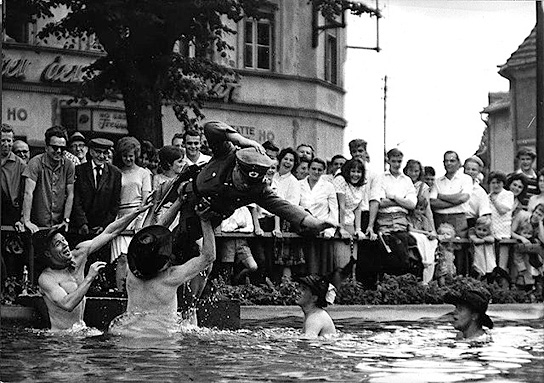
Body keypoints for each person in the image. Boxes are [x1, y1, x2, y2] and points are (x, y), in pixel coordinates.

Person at [38, 202, 152, 331]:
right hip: (59, 341)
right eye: (58, 243)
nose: (65, 244)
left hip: (79, 333)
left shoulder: (80, 254)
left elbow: (111, 232)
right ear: (48, 253)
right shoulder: (46, 278)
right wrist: (89, 277)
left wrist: (136, 212)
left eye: (64, 239)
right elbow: (67, 304)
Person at [108, 211, 216, 336]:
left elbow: (150, 236)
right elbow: (209, 256)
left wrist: (177, 203)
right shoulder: (171, 277)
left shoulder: (132, 274)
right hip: (162, 340)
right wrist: (205, 220)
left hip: (128, 334)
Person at [111, 137, 152, 291]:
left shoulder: (144, 173)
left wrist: (139, 220)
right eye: (125, 155)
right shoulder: (116, 172)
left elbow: (146, 199)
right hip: (120, 218)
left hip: (137, 217)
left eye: (131, 155)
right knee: (121, 258)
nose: (128, 159)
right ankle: (120, 292)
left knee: (136, 259)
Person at [20, 126, 75, 233]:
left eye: (62, 148)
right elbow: (28, 193)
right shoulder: (35, 163)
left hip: (58, 225)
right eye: (55, 147)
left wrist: (66, 220)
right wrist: (27, 221)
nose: (59, 151)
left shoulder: (69, 165)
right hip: (37, 225)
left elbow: (70, 194)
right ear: (46, 147)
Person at [430, 151, 473, 274]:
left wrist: (441, 196)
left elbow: (463, 198)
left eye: (452, 160)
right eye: (446, 161)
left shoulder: (466, 179)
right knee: (441, 250)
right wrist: (455, 201)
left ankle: (459, 280)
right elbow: (433, 202)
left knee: (459, 249)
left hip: (458, 218)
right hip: (440, 219)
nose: (449, 163)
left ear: (458, 163)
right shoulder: (438, 181)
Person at [71, 138, 122, 236]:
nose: (102, 156)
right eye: (98, 152)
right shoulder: (79, 171)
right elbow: (76, 199)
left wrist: (104, 226)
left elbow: (115, 203)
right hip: (81, 229)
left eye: (105, 153)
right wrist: (82, 223)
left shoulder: (115, 173)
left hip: (103, 230)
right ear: (91, 152)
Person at [299, 157, 338, 275]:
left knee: (322, 268)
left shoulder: (328, 186)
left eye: (319, 170)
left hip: (323, 232)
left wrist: (330, 230)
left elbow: (334, 210)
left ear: (324, 171)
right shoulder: (299, 184)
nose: (316, 172)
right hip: (303, 229)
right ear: (308, 169)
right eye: (313, 168)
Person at [272, 148, 304, 280]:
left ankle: (286, 289)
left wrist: (278, 226)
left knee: (285, 259)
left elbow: (290, 206)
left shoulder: (293, 182)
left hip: (285, 221)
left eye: (291, 160)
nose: (288, 162)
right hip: (269, 219)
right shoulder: (272, 175)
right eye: (286, 159)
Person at [333, 158, 367, 268]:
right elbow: (341, 206)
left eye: (359, 172)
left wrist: (358, 229)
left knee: (351, 263)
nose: (356, 175)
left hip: (350, 223)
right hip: (337, 223)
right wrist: (341, 228)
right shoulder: (340, 180)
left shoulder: (361, 185)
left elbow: (357, 208)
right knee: (340, 264)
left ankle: (349, 285)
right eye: (353, 171)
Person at [144, 145, 185, 229]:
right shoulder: (157, 179)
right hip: (163, 215)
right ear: (169, 164)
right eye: (179, 161)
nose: (182, 164)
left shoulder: (183, 178)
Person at [488, 171, 514, 280]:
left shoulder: (508, 194)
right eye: (493, 183)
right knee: (491, 266)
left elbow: (503, 210)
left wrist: (494, 200)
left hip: (504, 234)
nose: (496, 185)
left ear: (503, 183)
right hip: (491, 233)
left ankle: (504, 291)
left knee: (502, 266)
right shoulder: (487, 196)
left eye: (498, 182)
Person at [407, 199, 438, 284]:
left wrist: (430, 234)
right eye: (416, 209)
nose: (418, 211)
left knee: (433, 242)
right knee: (420, 238)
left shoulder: (424, 219)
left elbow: (429, 230)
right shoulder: (409, 218)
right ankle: (425, 260)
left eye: (421, 209)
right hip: (414, 236)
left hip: (423, 236)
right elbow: (410, 229)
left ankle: (429, 260)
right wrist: (424, 232)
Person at [1, 123, 26, 226]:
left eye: (9, 140)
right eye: (3, 140)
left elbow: (24, 194)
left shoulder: (21, 164)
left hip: (11, 213)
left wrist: (22, 218)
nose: (6, 144)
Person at [463, 156, 492, 228]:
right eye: (467, 169)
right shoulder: (456, 186)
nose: (470, 172)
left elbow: (484, 211)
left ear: (479, 172)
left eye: (473, 170)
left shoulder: (480, 192)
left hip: (471, 223)